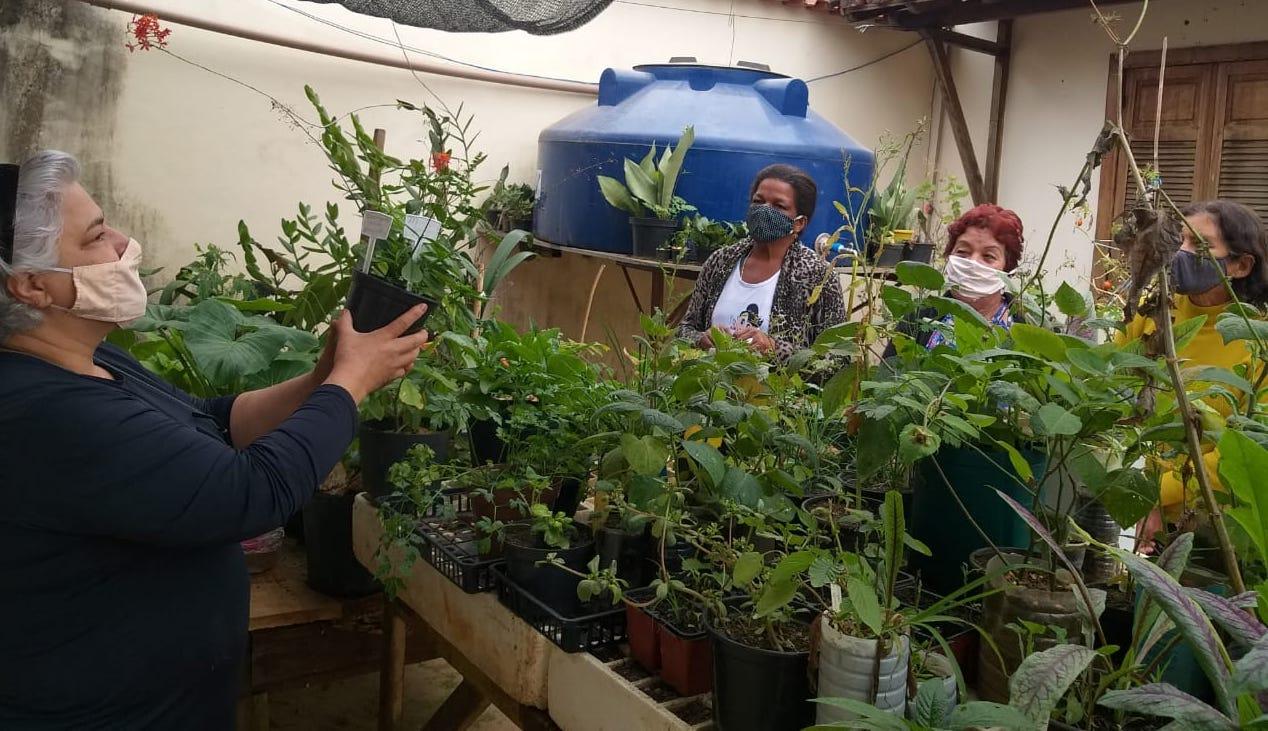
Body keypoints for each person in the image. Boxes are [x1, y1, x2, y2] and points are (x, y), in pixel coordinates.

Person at [0, 151, 430, 729]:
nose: (123, 243)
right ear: (31, 286)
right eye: (97, 236)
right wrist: (351, 384)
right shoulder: (40, 413)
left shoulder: (85, 358)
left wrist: (320, 379)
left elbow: (212, 420)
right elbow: (251, 491)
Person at [1126, 200, 1268, 547]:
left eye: (1200, 245)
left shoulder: (1257, 341)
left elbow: (1247, 450)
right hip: (1143, 504)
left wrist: (1163, 497)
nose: (1181, 253)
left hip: (1218, 523)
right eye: (1179, 240)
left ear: (1240, 265)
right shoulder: (1154, 313)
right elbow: (1113, 382)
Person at [677, 164, 846, 360]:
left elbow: (837, 359)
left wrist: (775, 349)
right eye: (758, 201)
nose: (765, 210)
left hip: (776, 390)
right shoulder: (720, 262)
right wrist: (700, 339)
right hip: (711, 387)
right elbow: (684, 329)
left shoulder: (818, 276)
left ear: (799, 223)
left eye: (779, 206)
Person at [883, 203, 1025, 357]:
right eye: (963, 251)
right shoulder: (917, 320)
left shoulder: (1025, 331)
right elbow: (890, 376)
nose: (973, 262)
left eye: (989, 256)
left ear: (1008, 269)